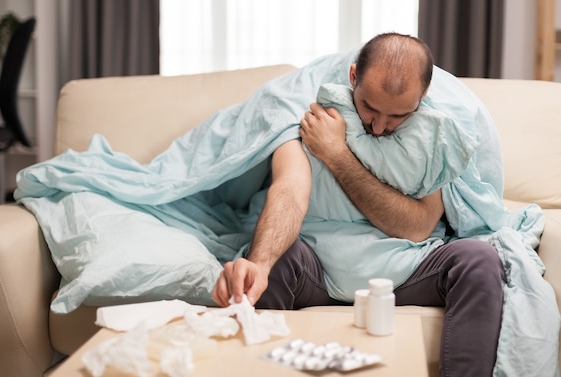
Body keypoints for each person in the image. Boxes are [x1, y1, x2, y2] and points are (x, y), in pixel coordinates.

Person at [212, 33, 504, 377]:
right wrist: (259, 264)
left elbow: (417, 226)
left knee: (480, 260)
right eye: (369, 107)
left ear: (423, 97)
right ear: (352, 77)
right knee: (271, 259)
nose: (379, 127)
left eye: (397, 116)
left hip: (407, 265)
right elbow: (290, 188)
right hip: (316, 265)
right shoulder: (307, 112)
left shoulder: (435, 134)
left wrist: (337, 155)